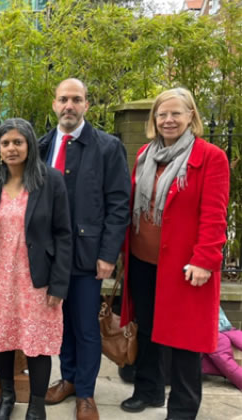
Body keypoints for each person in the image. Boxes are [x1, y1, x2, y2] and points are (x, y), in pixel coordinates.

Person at [119, 87, 230, 419]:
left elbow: (214, 214)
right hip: (143, 260)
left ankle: (182, 408)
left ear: (191, 116)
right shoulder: (144, 155)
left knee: (186, 341)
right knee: (148, 328)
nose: (168, 120)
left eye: (175, 113)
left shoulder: (210, 157)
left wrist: (204, 260)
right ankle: (148, 390)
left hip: (185, 265)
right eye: (162, 114)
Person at [39, 78, 131, 420]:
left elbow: (119, 204)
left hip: (87, 256)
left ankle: (87, 393)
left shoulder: (107, 147)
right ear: (54, 104)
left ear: (86, 106)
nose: (69, 106)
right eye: (63, 99)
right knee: (60, 325)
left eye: (76, 99)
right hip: (49, 257)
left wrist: (109, 254)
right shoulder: (42, 144)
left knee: (86, 327)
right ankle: (70, 379)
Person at [0, 118, 72, 420]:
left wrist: (59, 284)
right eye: (5, 143)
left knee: (36, 343)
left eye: (18, 142)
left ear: (29, 145)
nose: (12, 148)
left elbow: (63, 234)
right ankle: (6, 397)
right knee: (1, 340)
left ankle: (37, 403)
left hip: (36, 278)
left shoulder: (50, 180)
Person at [202, 307, 242, 391]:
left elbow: (230, 368)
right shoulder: (235, 334)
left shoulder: (217, 339)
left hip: (213, 330)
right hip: (223, 327)